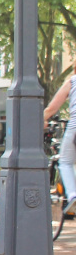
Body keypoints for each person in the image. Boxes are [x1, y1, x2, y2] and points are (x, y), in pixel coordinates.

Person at [45, 74, 76, 216]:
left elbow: (52, 108)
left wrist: (41, 119)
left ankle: (73, 196)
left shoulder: (72, 81)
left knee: (65, 162)